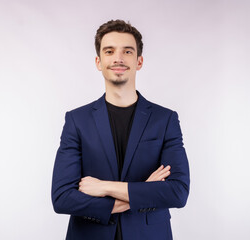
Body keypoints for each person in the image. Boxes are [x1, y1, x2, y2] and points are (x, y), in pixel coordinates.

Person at [51, 19, 190, 240]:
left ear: (139, 61)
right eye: (109, 51)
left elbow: (178, 192)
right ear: (98, 61)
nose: (118, 58)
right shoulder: (77, 120)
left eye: (127, 51)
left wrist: (104, 187)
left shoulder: (165, 119)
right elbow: (62, 198)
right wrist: (143, 191)